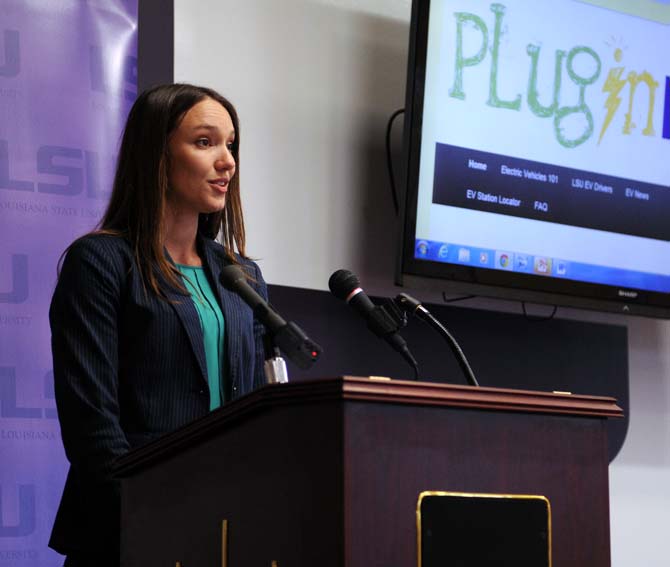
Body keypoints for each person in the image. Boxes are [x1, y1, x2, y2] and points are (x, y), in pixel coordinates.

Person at [48, 83, 268, 566]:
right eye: (206, 142)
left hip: (224, 532)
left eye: (231, 144)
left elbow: (256, 416)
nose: (228, 161)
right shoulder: (102, 262)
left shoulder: (241, 275)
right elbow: (92, 428)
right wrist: (149, 521)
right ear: (157, 156)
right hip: (128, 534)